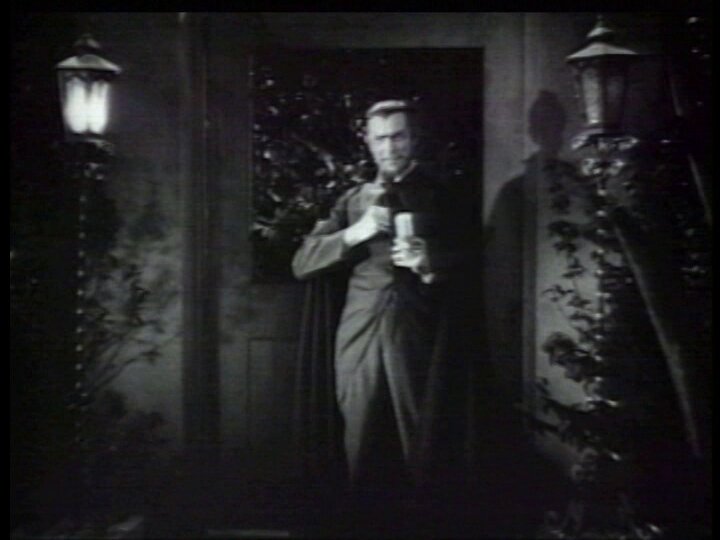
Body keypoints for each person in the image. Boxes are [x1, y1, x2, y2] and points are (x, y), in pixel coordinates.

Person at [292, 100, 471, 503]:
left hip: (421, 327)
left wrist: (432, 261)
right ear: (369, 144)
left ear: (414, 138)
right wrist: (357, 232)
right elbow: (303, 262)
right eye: (380, 139)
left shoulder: (445, 196)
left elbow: (476, 256)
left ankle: (424, 520)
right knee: (357, 427)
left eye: (398, 137)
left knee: (422, 428)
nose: (389, 147)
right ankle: (362, 519)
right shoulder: (352, 200)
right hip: (360, 328)